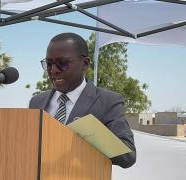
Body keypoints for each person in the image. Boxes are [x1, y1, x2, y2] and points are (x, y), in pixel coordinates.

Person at [29, 32, 136, 168]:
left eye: (62, 63)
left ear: (85, 63)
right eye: (49, 64)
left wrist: (90, 135)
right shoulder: (36, 102)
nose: (53, 70)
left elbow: (128, 157)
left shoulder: (108, 101)